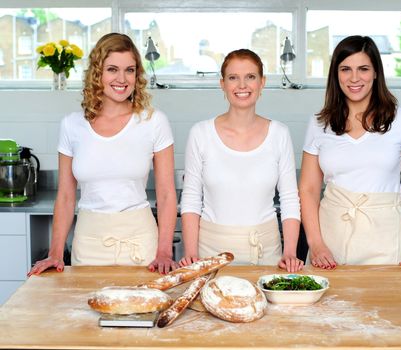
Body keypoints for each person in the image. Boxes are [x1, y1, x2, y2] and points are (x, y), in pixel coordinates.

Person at [28, 33, 178, 276]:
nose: (121, 79)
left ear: (137, 75)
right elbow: (66, 196)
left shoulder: (154, 121)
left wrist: (164, 251)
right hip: (88, 243)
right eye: (112, 69)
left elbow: (166, 193)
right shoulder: (71, 125)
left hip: (141, 242)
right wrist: (55, 253)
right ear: (97, 73)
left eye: (129, 70)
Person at [299, 35, 401, 270]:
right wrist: (316, 244)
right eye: (345, 69)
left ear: (376, 73)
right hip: (331, 241)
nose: (354, 78)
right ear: (335, 74)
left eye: (363, 69)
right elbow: (308, 189)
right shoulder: (319, 123)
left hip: (387, 238)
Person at [179, 49, 303, 272]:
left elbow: (289, 199)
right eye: (233, 78)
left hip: (266, 252)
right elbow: (190, 198)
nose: (242, 85)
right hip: (210, 253)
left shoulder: (279, 134)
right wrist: (190, 253)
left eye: (251, 77)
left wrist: (290, 252)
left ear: (262, 83)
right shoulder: (201, 133)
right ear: (222, 84)